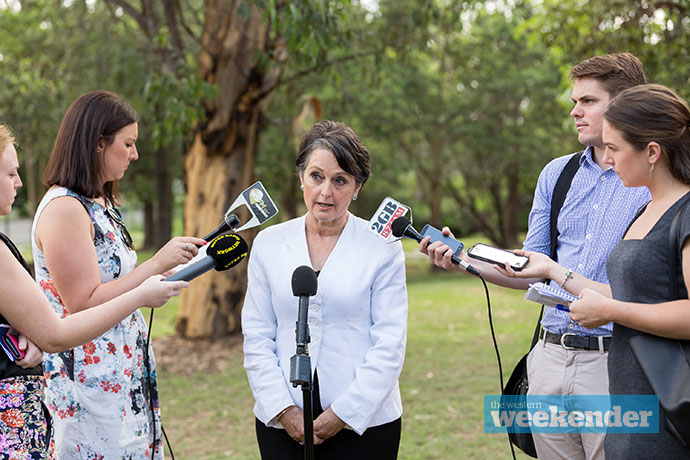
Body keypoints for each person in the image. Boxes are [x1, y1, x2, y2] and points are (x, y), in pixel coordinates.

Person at [420, 53, 649, 460]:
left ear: (625, 103)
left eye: (588, 102)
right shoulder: (556, 175)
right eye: (574, 102)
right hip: (547, 358)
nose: (575, 112)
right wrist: (463, 260)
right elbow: (531, 269)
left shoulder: (652, 180)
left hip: (616, 362)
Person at [31, 91, 206, 459]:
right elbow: (82, 302)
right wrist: (153, 268)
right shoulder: (65, 208)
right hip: (88, 386)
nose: (135, 154)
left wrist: (171, 266)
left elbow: (114, 281)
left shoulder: (101, 203)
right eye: (127, 144)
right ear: (98, 143)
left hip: (124, 375)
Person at [534, 83, 690, 459]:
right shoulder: (647, 210)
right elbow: (628, 291)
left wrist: (610, 313)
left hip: (667, 407)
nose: (610, 160)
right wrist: (556, 272)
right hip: (628, 396)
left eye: (615, 149)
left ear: (652, 152)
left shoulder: (685, 214)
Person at [242, 120, 408, 459]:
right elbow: (257, 333)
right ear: (301, 176)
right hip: (282, 418)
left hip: (364, 422)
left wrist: (343, 413)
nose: (325, 192)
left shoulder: (383, 247)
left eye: (340, 180)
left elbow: (390, 341)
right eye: (316, 176)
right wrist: (282, 408)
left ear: (358, 186)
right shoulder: (269, 243)